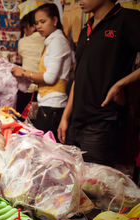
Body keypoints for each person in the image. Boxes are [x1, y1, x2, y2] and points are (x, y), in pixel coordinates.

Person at [58, 0, 140, 166]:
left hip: (102, 122)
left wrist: (121, 84)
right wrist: (65, 116)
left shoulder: (128, 19)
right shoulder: (85, 29)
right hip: (76, 122)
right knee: (71, 182)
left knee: (95, 187)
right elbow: (79, 75)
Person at [11, 3, 72, 140]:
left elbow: (50, 77)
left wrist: (24, 73)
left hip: (53, 106)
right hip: (48, 103)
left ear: (55, 20)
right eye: (37, 23)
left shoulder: (57, 42)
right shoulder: (51, 41)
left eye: (43, 22)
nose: (39, 26)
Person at [15, 11, 45, 113]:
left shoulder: (23, 42)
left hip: (27, 89)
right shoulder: (49, 40)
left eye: (25, 27)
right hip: (44, 90)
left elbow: (22, 58)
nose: (24, 31)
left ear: (33, 27)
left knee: (21, 122)